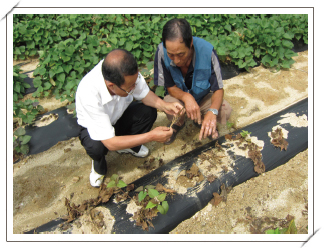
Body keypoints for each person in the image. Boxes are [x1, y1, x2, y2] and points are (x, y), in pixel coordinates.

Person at [75, 49, 183, 187]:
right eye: (130, 87)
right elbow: (110, 143)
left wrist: (165, 105)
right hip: (95, 130)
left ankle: (128, 145)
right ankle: (98, 164)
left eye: (135, 83)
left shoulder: (124, 72)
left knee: (148, 112)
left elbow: (144, 94)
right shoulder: (89, 93)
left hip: (117, 117)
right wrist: (150, 136)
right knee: (96, 147)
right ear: (111, 86)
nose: (134, 87)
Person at [154, 18, 232, 144]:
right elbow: (170, 87)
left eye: (180, 54)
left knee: (224, 110)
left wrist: (212, 111)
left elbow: (218, 88)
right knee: (168, 105)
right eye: (171, 55)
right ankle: (178, 122)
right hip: (178, 99)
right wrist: (186, 97)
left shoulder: (208, 52)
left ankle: (201, 120)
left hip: (202, 97)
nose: (176, 60)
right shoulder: (161, 53)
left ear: (190, 43)